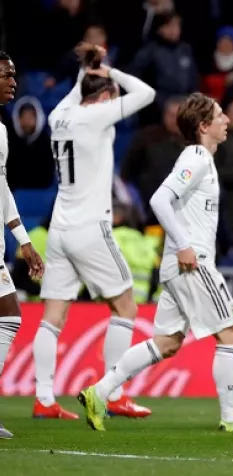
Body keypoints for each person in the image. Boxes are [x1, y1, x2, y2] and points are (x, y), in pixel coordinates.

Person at [77, 93, 233, 434]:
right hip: (192, 262)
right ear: (204, 126)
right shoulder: (196, 157)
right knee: (231, 333)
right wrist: (184, 246)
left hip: (177, 265)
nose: (227, 120)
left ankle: (100, 392)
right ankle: (231, 418)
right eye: (220, 115)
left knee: (167, 342)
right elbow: (159, 199)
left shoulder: (200, 159)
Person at [32, 44, 155, 420]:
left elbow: (76, 92)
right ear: (103, 97)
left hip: (60, 230)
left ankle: (44, 400)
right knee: (125, 307)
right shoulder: (96, 116)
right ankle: (113, 393)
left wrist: (88, 68)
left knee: (52, 316)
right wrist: (112, 72)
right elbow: (147, 94)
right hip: (90, 228)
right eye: (110, 96)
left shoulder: (59, 115)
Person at [0, 51, 45, 439]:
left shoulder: (0, 129)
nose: (13, 82)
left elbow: (2, 187)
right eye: (6, 75)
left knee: (9, 316)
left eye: (14, 75)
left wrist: (23, 241)